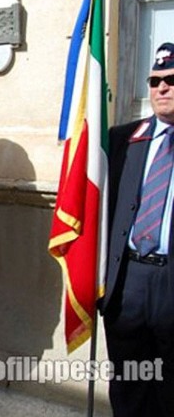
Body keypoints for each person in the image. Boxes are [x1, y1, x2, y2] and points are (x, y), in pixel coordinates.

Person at [101, 42, 174, 416]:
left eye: (172, 80)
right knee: (128, 385)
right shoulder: (122, 139)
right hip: (128, 281)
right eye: (155, 80)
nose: (162, 88)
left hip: (170, 284)